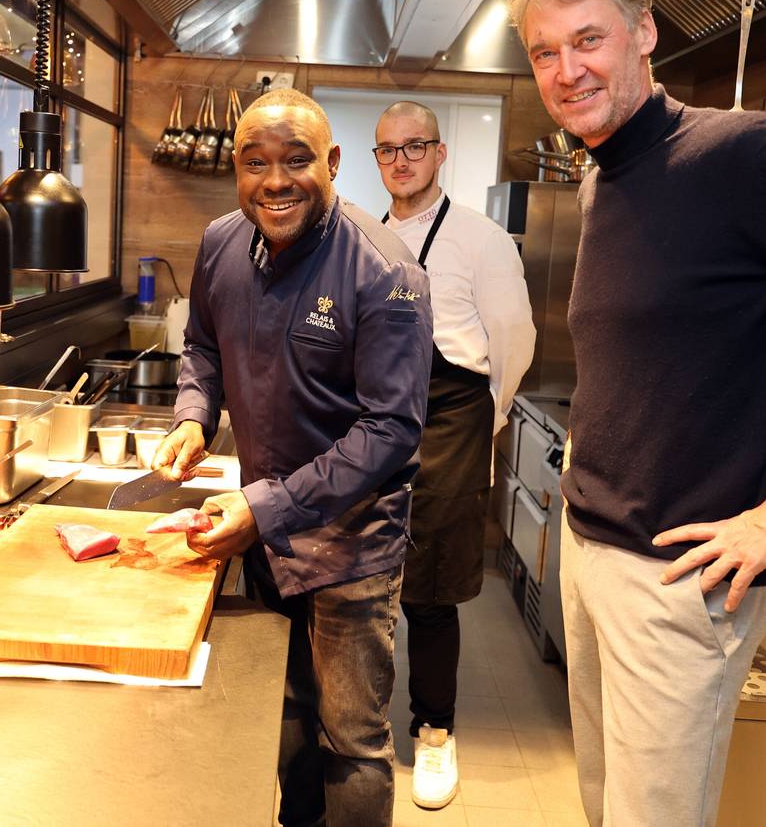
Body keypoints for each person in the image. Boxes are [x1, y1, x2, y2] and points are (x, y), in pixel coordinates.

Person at [509, 0, 766, 826]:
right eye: (545, 52)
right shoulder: (601, 176)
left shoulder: (739, 156)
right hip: (590, 554)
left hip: (677, 579)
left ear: (645, 32)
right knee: (601, 807)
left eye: (589, 40)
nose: (567, 69)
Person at [152, 87, 433, 827]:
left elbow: (390, 431)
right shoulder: (219, 244)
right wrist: (193, 416)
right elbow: (202, 348)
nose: (275, 182)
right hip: (265, 536)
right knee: (282, 711)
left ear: (333, 163)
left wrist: (265, 506)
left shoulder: (385, 271)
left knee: (350, 740)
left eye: (297, 160)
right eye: (255, 164)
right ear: (238, 171)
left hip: (352, 545)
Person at [374, 102, 536, 809]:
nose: (401, 160)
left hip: (452, 419)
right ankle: (361, 725)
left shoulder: (482, 239)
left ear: (440, 154)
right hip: (375, 424)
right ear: (376, 160)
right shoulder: (362, 237)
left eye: (415, 147)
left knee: (431, 590)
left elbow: (515, 339)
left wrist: (487, 415)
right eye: (388, 150)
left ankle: (434, 730)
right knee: (366, 583)